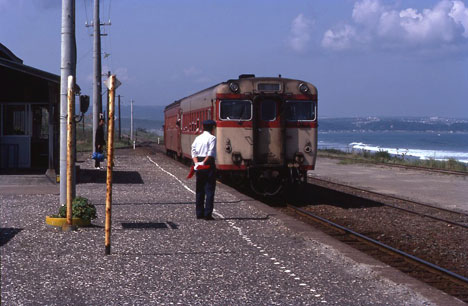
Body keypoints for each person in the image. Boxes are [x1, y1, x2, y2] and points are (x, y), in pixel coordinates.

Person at [191, 120, 217, 220]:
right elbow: (210, 153)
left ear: (203, 127)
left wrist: (197, 163)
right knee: (209, 189)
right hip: (208, 164)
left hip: (198, 163)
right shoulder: (212, 138)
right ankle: (207, 214)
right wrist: (204, 163)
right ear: (212, 128)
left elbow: (193, 151)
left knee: (199, 189)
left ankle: (199, 213)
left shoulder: (198, 138)